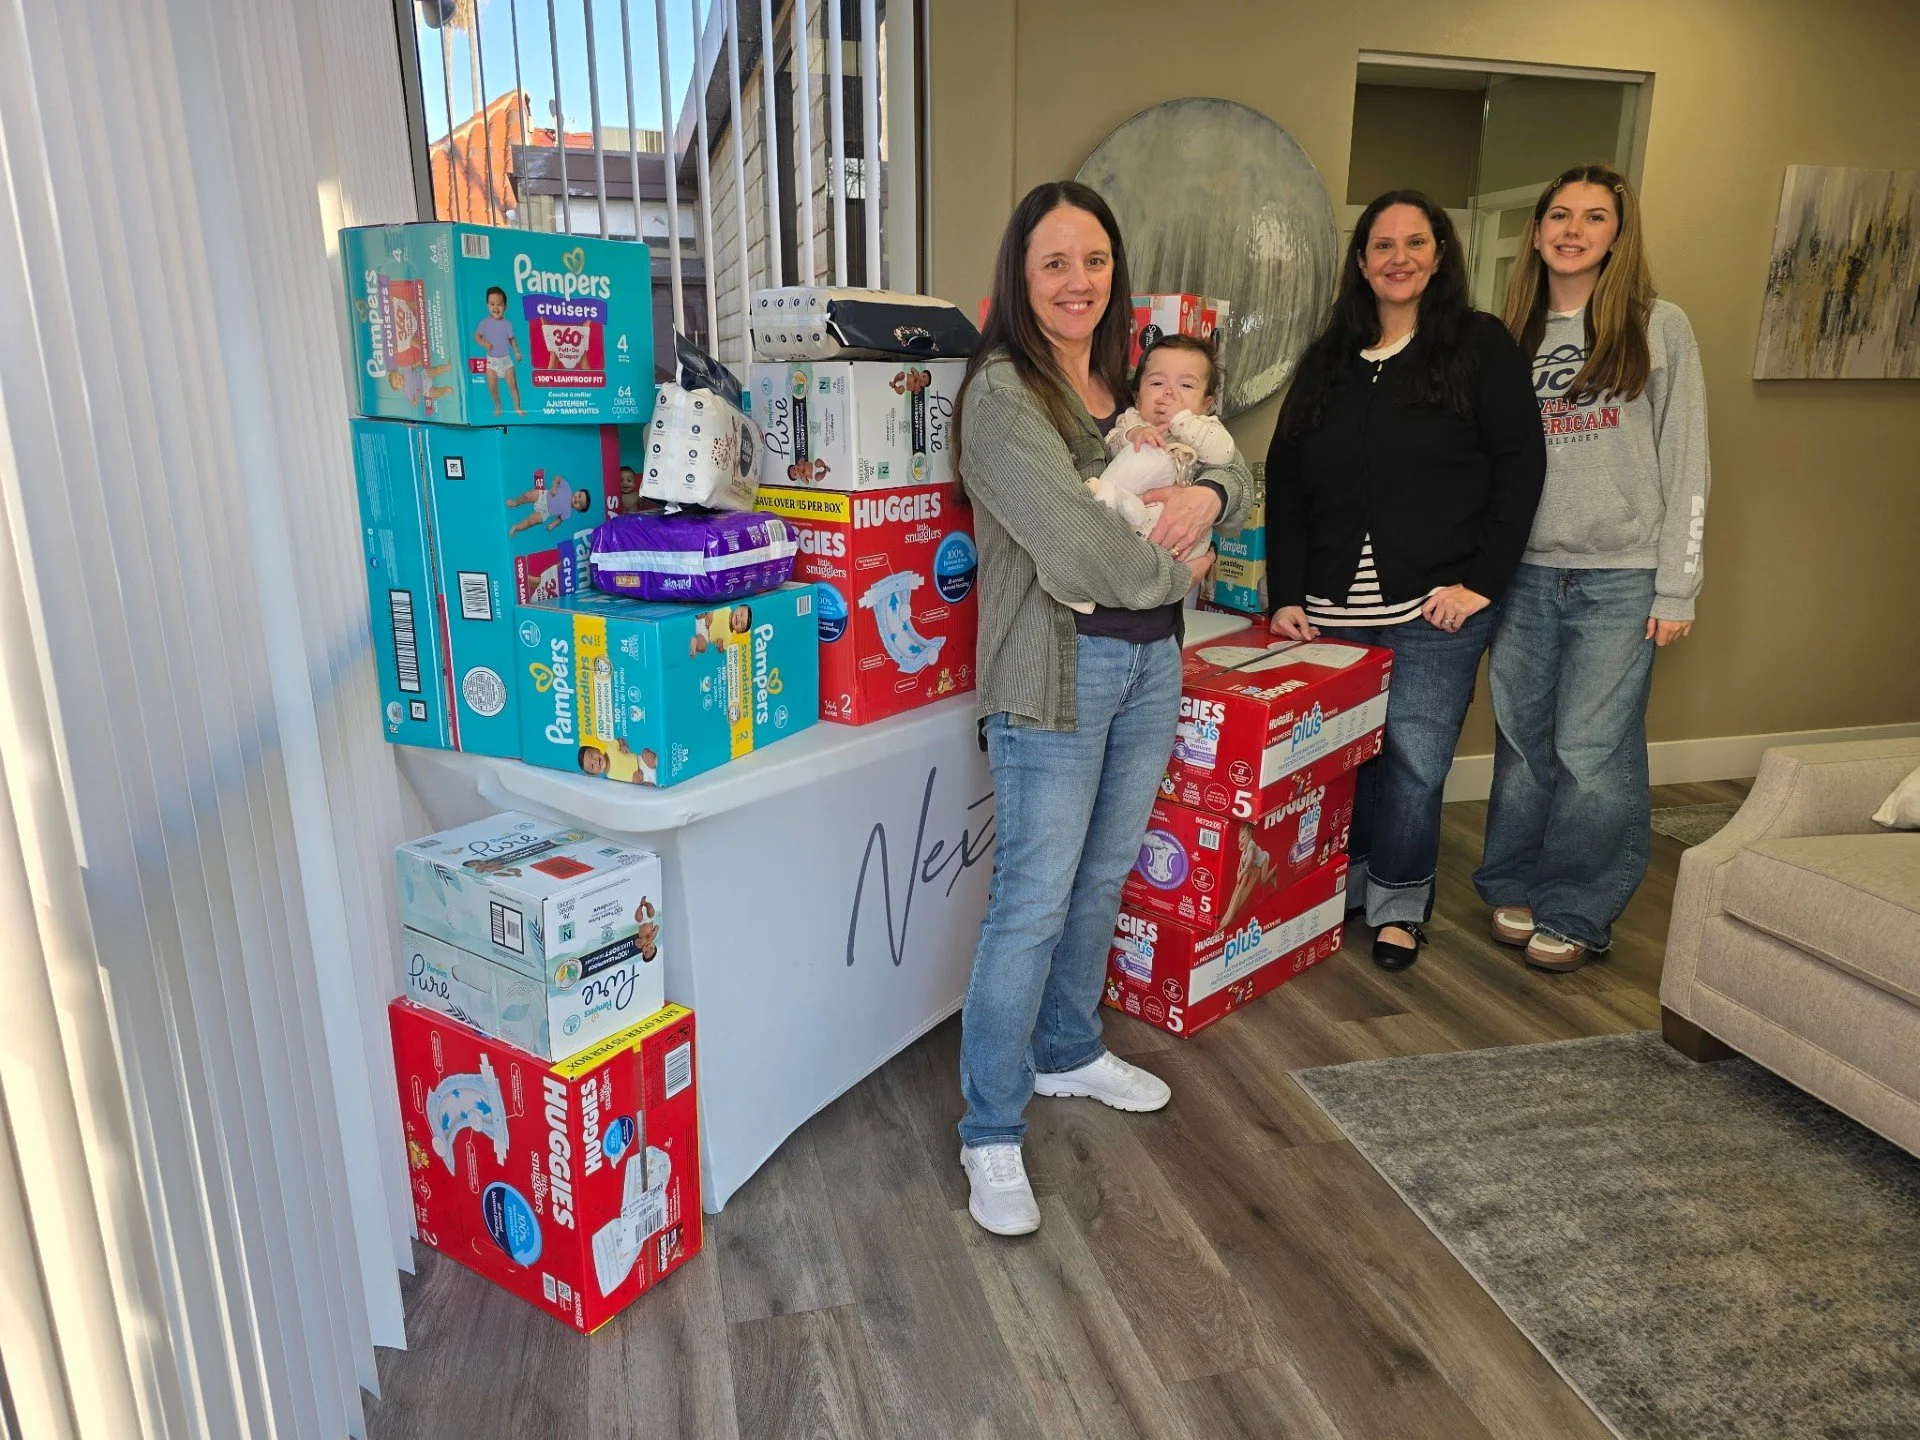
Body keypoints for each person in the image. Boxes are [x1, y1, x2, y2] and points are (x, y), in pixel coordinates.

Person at [952, 180, 1253, 1237]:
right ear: (1020, 277)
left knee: (1099, 879)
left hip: (1148, 669)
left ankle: (1069, 1051)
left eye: (1093, 260)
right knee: (1031, 902)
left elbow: (1231, 460)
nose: (1077, 281)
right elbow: (1078, 552)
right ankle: (990, 1130)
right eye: (1053, 263)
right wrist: (1188, 572)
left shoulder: (1130, 383)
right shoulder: (1001, 397)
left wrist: (1208, 499)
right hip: (1056, 672)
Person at [1264, 190, 1545, 972]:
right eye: (1381, 245)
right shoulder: (1328, 358)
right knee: (1340, 763)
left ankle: (1396, 903)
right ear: (1361, 262)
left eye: (1414, 242)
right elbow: (1285, 480)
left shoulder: (1477, 346)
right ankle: (1339, 888)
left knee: (1415, 762)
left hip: (1435, 608)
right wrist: (1284, 592)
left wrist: (1481, 582)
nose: (1398, 258)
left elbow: (1521, 468)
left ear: (1440, 253)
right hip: (1328, 611)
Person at [1474, 164, 1710, 973]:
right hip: (1525, 573)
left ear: (1619, 233)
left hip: (1621, 575)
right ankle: (1515, 878)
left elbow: (1688, 462)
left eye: (1595, 217)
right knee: (1523, 742)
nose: (1573, 230)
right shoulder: (1507, 334)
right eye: (1560, 216)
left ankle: (1577, 906)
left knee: (1592, 748)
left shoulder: (1657, 325)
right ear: (1537, 231)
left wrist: (1677, 584)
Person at [1075, 335, 1235, 592]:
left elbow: (1223, 455)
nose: (1169, 393)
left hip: (1179, 533)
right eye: (1158, 382)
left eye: (1186, 385)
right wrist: (1133, 435)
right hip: (1133, 523)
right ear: (1137, 397)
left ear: (1206, 405)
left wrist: (1182, 420)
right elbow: (1112, 442)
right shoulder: (1132, 419)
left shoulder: (1206, 427)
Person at [473, 286, 526, 417]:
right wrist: (484, 343)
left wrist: (517, 353)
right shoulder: (485, 322)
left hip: (506, 360)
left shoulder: (507, 324)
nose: (496, 307)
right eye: (492, 304)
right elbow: (476, 336)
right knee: (492, 386)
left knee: (513, 385)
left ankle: (517, 407)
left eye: (499, 304)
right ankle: (497, 404)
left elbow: (512, 340)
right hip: (492, 362)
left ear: (505, 307)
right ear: (487, 306)